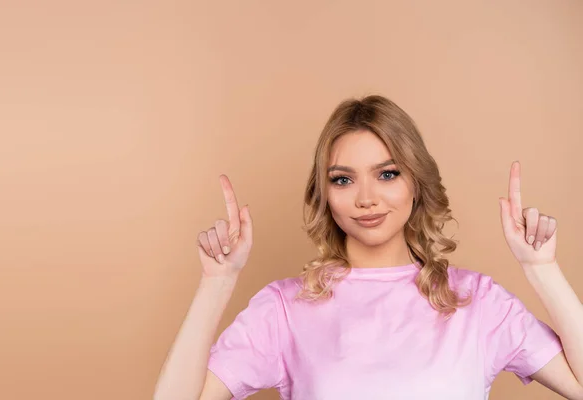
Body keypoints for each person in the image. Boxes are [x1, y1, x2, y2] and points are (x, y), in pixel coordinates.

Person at [153, 95, 583, 400]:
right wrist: (217, 281)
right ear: (324, 193)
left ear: (417, 181)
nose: (365, 198)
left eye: (387, 174)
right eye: (343, 179)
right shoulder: (283, 309)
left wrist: (542, 268)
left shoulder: (479, 303)